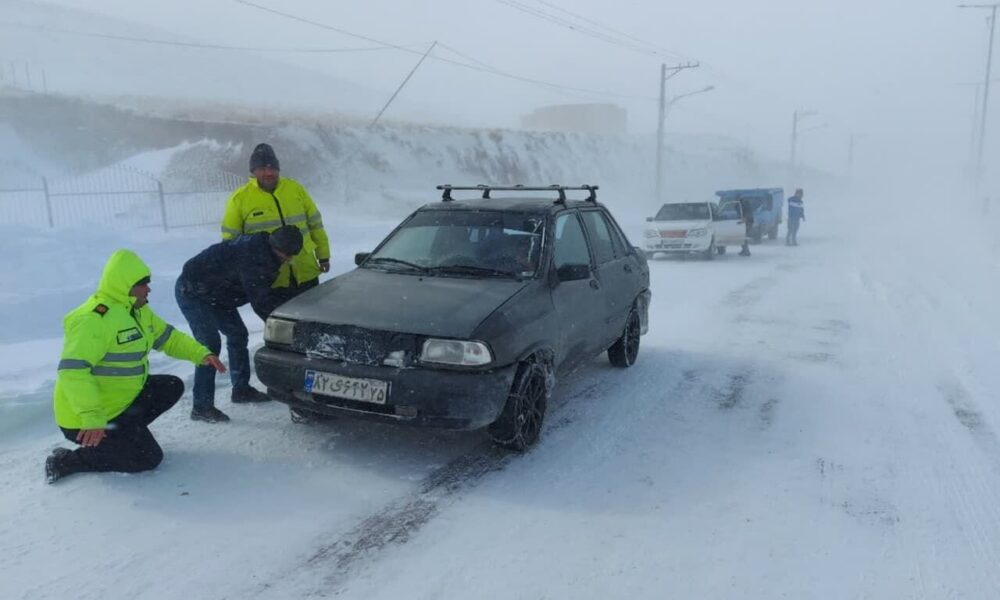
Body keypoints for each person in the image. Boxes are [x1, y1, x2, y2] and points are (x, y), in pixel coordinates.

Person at [46, 250, 225, 484]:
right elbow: (72, 371)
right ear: (125, 286)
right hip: (85, 419)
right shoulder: (94, 319)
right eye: (143, 284)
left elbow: (168, 338)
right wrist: (92, 418)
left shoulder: (138, 311)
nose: (148, 289)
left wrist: (201, 353)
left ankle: (123, 434)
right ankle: (66, 461)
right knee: (148, 459)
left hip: (118, 404)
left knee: (171, 386)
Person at [175, 226, 304, 423]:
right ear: (275, 246)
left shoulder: (267, 251)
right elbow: (261, 302)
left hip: (218, 295)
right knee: (209, 346)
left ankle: (241, 390)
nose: (288, 259)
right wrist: (284, 333)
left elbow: (264, 294)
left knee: (237, 334)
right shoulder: (253, 259)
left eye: (291, 255)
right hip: (193, 292)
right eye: (286, 255)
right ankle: (201, 406)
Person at [221, 143, 331, 308]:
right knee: (281, 327)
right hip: (270, 278)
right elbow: (231, 242)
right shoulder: (239, 199)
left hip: (305, 271)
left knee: (313, 319)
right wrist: (241, 275)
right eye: (263, 168)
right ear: (254, 171)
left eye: (272, 168)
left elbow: (315, 224)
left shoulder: (295, 189)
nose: (269, 172)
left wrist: (323, 255)